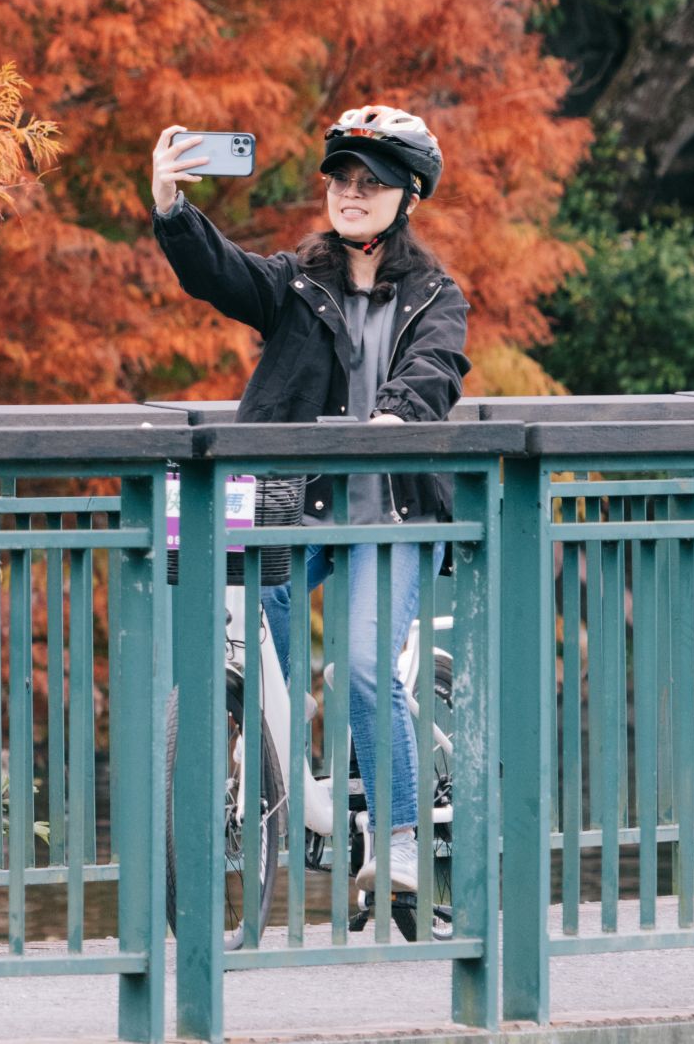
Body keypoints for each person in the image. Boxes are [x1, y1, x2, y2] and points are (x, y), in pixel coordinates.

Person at [149, 104, 469, 909]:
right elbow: (223, 274)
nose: (350, 193)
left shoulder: (436, 294)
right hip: (300, 506)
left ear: (409, 196)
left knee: (362, 664)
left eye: (371, 182)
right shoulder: (298, 281)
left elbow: (436, 369)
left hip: (390, 513)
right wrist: (172, 207)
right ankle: (286, 745)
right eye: (340, 179)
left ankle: (399, 839)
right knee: (250, 617)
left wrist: (394, 418)